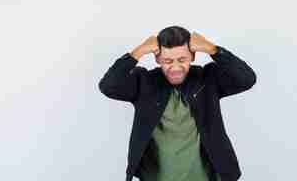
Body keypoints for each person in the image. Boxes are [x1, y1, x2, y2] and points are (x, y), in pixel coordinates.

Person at [98, 25, 257, 181]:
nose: (175, 67)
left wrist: (212, 49)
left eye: (182, 59)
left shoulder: (207, 79)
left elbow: (247, 79)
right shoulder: (144, 83)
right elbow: (108, 86)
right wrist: (138, 52)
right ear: (158, 59)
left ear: (192, 57)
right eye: (167, 61)